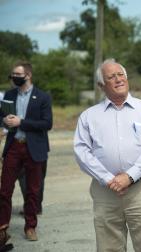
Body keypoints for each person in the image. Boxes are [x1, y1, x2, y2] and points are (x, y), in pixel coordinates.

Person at [74, 58, 141, 252]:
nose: (118, 79)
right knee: (109, 247)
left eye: (121, 75)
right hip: (105, 192)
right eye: (111, 77)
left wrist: (130, 176)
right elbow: (82, 152)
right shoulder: (89, 116)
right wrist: (109, 179)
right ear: (101, 85)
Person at [0, 62, 53, 244]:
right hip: (13, 146)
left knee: (32, 191)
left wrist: (21, 122)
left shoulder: (43, 97)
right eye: (12, 73)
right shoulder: (9, 94)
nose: (14, 76)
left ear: (28, 75)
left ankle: (30, 226)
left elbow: (47, 124)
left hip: (34, 148)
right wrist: (4, 120)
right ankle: (2, 228)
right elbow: (2, 116)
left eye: (17, 73)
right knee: (5, 190)